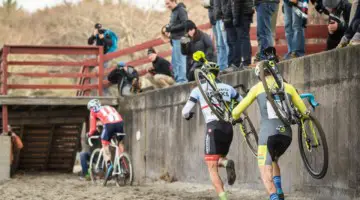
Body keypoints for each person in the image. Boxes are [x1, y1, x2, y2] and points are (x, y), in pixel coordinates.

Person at [232, 60, 309, 200]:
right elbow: (304, 111)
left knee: (264, 167)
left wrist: (234, 116)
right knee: (274, 160)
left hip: (268, 134)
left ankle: (274, 197)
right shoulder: (288, 87)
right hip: (286, 135)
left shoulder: (258, 87)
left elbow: (237, 110)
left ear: (259, 74)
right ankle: (279, 190)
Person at [182, 61, 241, 200]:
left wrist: (188, 116)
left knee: (211, 167)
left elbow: (185, 111)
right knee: (219, 157)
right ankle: (226, 162)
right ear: (217, 73)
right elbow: (242, 101)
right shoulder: (228, 87)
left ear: (204, 75)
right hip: (228, 127)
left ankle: (223, 198)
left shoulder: (198, 89)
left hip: (213, 128)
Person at [87, 99, 125, 181]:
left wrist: (89, 134)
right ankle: (121, 161)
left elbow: (93, 128)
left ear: (90, 107)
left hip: (109, 125)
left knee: (105, 144)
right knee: (119, 143)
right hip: (120, 123)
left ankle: (109, 165)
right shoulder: (110, 107)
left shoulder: (93, 111)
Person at [164, 0, 188, 83]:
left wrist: (171, 28)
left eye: (168, 3)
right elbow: (174, 25)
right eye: (165, 4)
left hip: (181, 38)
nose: (167, 6)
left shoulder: (181, 10)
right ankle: (178, 80)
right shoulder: (173, 12)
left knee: (180, 60)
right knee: (174, 62)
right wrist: (168, 29)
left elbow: (185, 24)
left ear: (174, 1)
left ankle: (182, 80)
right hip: (175, 39)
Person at [231, 0, 254, 68]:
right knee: (244, 38)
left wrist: (235, 18)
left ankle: (246, 61)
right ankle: (246, 61)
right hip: (245, 12)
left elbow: (237, 2)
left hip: (242, 13)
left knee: (244, 38)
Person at [213, 0, 229, 71]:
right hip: (217, 19)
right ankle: (221, 67)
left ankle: (228, 64)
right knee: (220, 45)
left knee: (226, 43)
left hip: (223, 18)